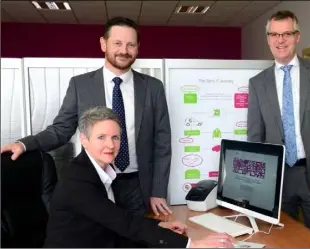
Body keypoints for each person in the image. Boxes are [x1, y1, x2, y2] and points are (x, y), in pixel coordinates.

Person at [1, 16, 172, 216]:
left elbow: (162, 142)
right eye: (117, 43)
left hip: (137, 185)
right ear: (103, 44)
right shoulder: (80, 85)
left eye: (130, 44)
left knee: (135, 241)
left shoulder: (153, 88)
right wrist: (24, 144)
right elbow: (61, 130)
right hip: (94, 183)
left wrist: (158, 191)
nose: (124, 50)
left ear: (137, 48)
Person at [44, 106, 235, 248]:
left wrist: (161, 224)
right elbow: (123, 223)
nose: (110, 145)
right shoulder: (78, 181)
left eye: (115, 137)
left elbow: (121, 217)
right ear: (84, 140)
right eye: (101, 137)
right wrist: (193, 245)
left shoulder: (101, 169)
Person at [247, 10, 310, 241]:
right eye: (274, 34)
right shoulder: (258, 83)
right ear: (268, 38)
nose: (280, 40)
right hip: (277, 179)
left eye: (287, 34)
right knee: (280, 239)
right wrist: (260, 181)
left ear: (297, 37)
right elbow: (255, 136)